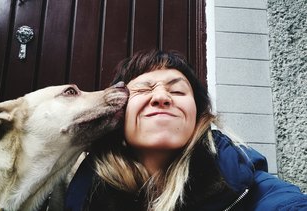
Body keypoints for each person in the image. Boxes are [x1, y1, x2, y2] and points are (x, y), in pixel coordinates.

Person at [64, 49, 307, 211]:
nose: (161, 96)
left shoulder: (250, 188)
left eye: (178, 91)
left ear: (197, 116)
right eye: (143, 90)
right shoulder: (77, 194)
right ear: (118, 115)